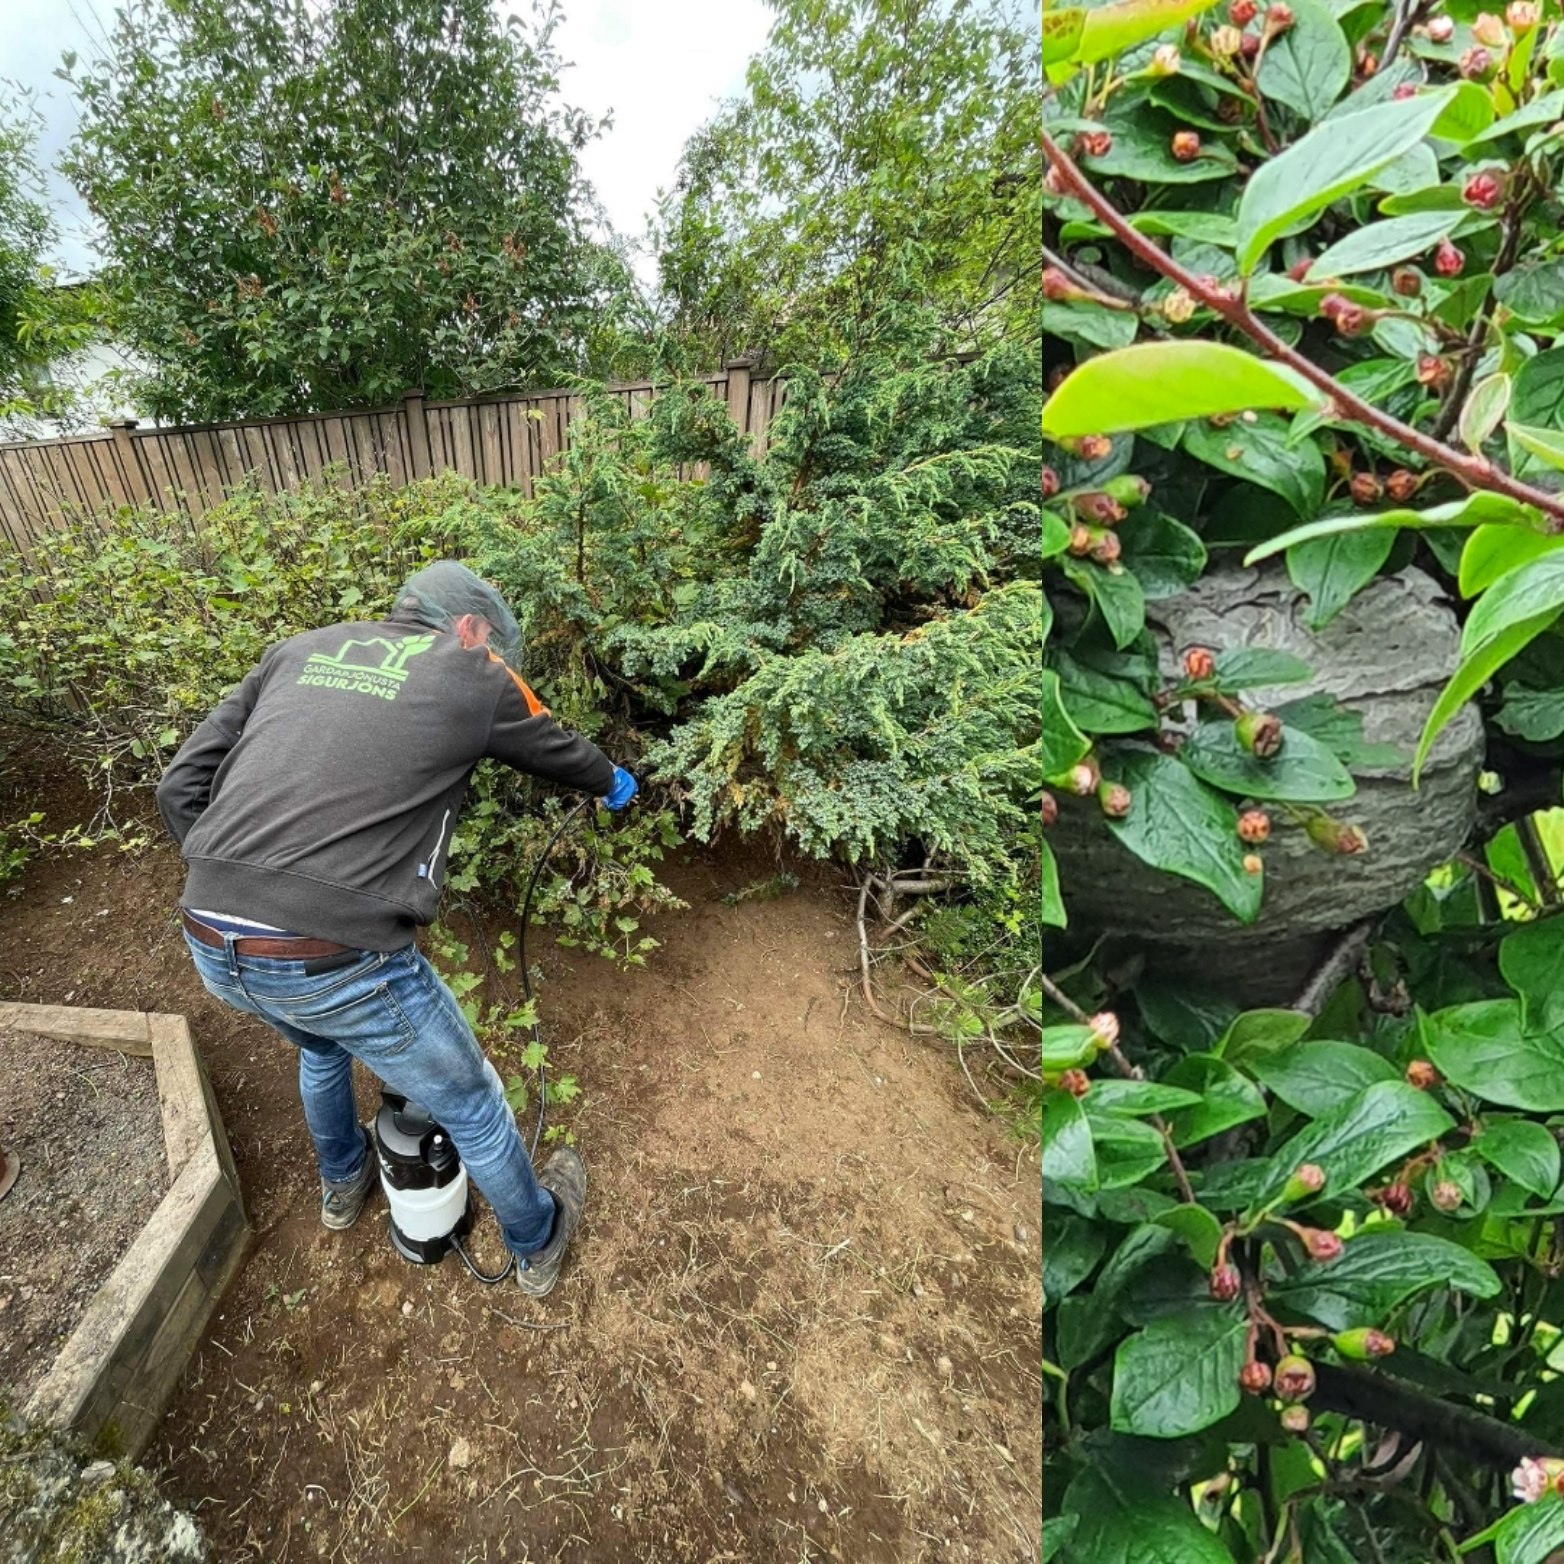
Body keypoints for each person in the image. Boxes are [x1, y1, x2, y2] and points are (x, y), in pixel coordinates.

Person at [155, 561, 637, 1298]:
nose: (497, 657)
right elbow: (553, 746)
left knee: (320, 1047)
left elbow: (179, 787)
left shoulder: (299, 649)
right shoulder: (473, 670)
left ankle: (344, 1185)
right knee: (470, 1101)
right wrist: (610, 782)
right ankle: (538, 1240)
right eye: (496, 644)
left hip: (210, 939)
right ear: (472, 629)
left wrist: (239, 886)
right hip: (333, 957)